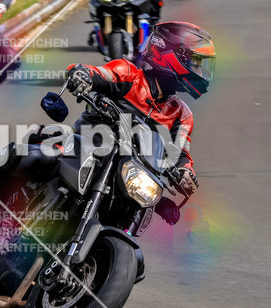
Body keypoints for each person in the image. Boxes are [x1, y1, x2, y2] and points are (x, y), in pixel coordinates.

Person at [65, 21, 216, 282]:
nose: (198, 70)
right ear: (168, 52)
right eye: (194, 61)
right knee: (36, 154)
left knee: (134, 262)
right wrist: (82, 75)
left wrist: (185, 173)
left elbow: (180, 154)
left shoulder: (181, 115)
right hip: (85, 150)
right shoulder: (128, 73)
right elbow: (97, 73)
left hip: (126, 176)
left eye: (201, 64)